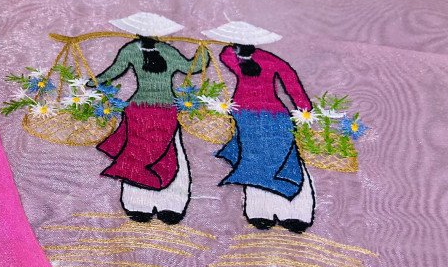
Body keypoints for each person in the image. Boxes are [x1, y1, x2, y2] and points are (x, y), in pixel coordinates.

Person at [92, 12, 207, 224]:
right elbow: (191, 66)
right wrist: (203, 53)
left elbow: (113, 71)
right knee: (166, 153)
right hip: (161, 110)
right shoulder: (164, 50)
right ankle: (163, 204)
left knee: (135, 154)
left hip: (145, 109)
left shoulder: (134, 49)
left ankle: (143, 204)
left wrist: (92, 82)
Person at [203, 22, 315, 232]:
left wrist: (233, 45)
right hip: (270, 114)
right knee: (280, 157)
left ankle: (262, 211)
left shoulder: (236, 59)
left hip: (247, 114)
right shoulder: (270, 59)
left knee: (254, 158)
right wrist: (305, 108)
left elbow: (226, 55)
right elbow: (291, 80)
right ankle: (289, 211)